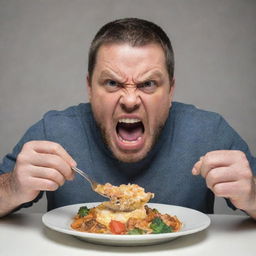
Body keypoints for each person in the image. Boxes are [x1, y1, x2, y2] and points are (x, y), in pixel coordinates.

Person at [0, 18, 255, 218]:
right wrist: (12, 187)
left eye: (148, 84)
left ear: (170, 91)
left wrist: (252, 195)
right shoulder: (53, 131)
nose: (130, 101)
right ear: (89, 88)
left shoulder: (209, 132)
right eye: (112, 83)